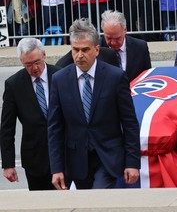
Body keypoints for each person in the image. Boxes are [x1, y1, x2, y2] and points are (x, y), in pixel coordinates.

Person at [48, 18, 141, 190]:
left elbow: (129, 123)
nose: (79, 55)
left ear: (96, 50)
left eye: (85, 50)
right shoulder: (60, 80)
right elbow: (55, 127)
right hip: (76, 160)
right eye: (75, 50)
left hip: (108, 157)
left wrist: (132, 162)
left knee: (99, 198)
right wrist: (57, 168)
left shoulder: (115, 77)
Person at [0, 38, 59, 190]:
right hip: (35, 160)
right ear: (21, 61)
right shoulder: (14, 85)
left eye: (37, 62)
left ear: (44, 55)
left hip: (63, 154)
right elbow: (7, 128)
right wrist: (8, 165)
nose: (34, 68)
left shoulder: (61, 76)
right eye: (28, 64)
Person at [100, 10, 152, 82]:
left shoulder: (140, 47)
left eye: (117, 38)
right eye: (108, 38)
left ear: (125, 30)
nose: (113, 42)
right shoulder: (96, 49)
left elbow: (148, 77)